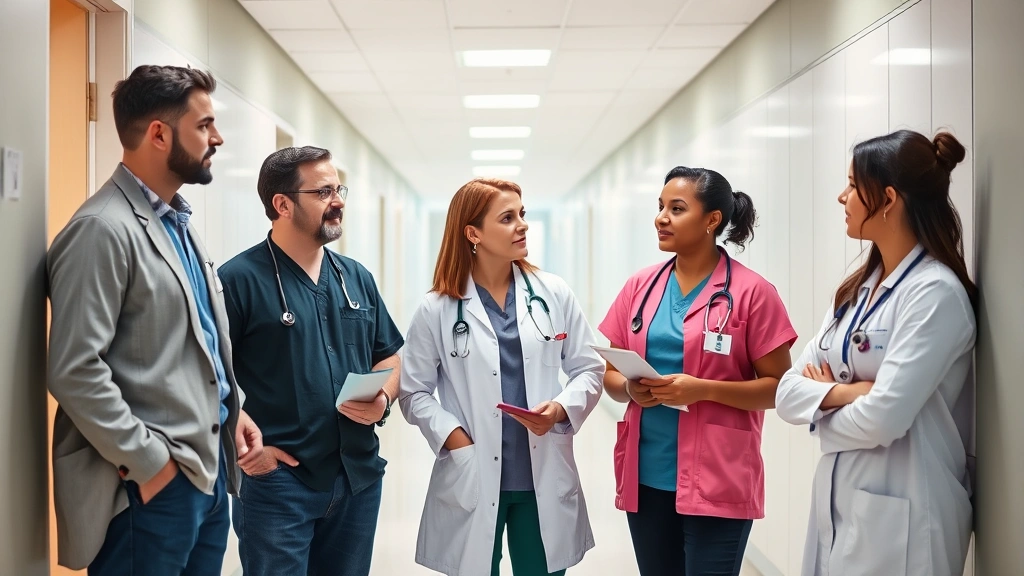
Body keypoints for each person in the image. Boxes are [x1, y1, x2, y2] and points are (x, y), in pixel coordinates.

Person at [47, 64, 263, 575]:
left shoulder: (177, 223)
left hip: (205, 476)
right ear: (159, 134)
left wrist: (230, 416)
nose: (218, 137)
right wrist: (148, 466)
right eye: (204, 125)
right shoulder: (102, 229)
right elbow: (75, 367)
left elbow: (191, 343)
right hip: (150, 490)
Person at [775, 130, 976, 576]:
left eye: (851, 185)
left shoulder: (934, 295)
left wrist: (821, 409)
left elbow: (885, 418)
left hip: (907, 516)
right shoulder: (856, 293)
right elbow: (787, 393)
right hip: (843, 505)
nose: (841, 196)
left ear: (887, 198)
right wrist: (850, 393)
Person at [598, 167, 797, 576]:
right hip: (648, 476)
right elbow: (608, 370)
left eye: (676, 208)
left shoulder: (751, 293)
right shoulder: (640, 286)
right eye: (660, 207)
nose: (661, 218)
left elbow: (780, 389)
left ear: (712, 220)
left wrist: (702, 390)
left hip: (718, 478)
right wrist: (628, 389)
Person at [400, 178, 604, 576]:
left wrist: (561, 409)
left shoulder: (553, 292)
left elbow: (588, 368)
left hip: (540, 474)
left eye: (522, 215)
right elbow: (414, 392)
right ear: (473, 233)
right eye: (508, 218)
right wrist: (455, 437)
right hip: (473, 471)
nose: (522, 225)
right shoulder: (436, 309)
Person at [218, 146, 404, 576]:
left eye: (338, 188)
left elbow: (391, 354)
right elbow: (200, 374)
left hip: (357, 477)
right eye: (323, 191)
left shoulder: (355, 276)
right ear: (282, 204)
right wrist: (245, 449)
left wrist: (384, 399)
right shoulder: (237, 281)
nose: (337, 199)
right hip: (278, 484)